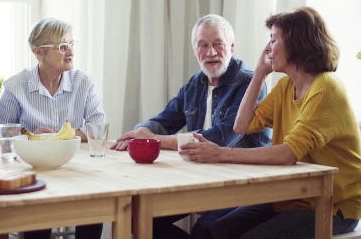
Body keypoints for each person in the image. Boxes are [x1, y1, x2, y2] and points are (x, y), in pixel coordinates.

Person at [182, 7, 361, 239]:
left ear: (296, 43)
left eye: (273, 40)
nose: (267, 48)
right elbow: (242, 126)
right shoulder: (285, 86)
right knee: (220, 229)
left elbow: (288, 154)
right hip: (292, 198)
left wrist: (219, 153)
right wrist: (260, 73)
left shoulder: (326, 87)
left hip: (332, 206)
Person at [111, 14, 272, 239]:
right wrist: (140, 132)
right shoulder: (195, 82)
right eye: (203, 46)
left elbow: (220, 138)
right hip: (198, 179)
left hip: (241, 182)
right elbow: (163, 120)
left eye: (218, 44)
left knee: (206, 231)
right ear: (195, 50)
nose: (211, 53)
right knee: (135, 219)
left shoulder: (248, 82)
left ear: (232, 46)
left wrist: (152, 140)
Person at [0, 18, 104, 239]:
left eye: (71, 44)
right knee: (39, 212)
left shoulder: (85, 82)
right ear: (39, 52)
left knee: (95, 201)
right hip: (31, 173)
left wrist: (60, 138)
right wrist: (28, 136)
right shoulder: (15, 85)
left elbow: (97, 129)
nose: (70, 51)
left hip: (77, 172)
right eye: (62, 47)